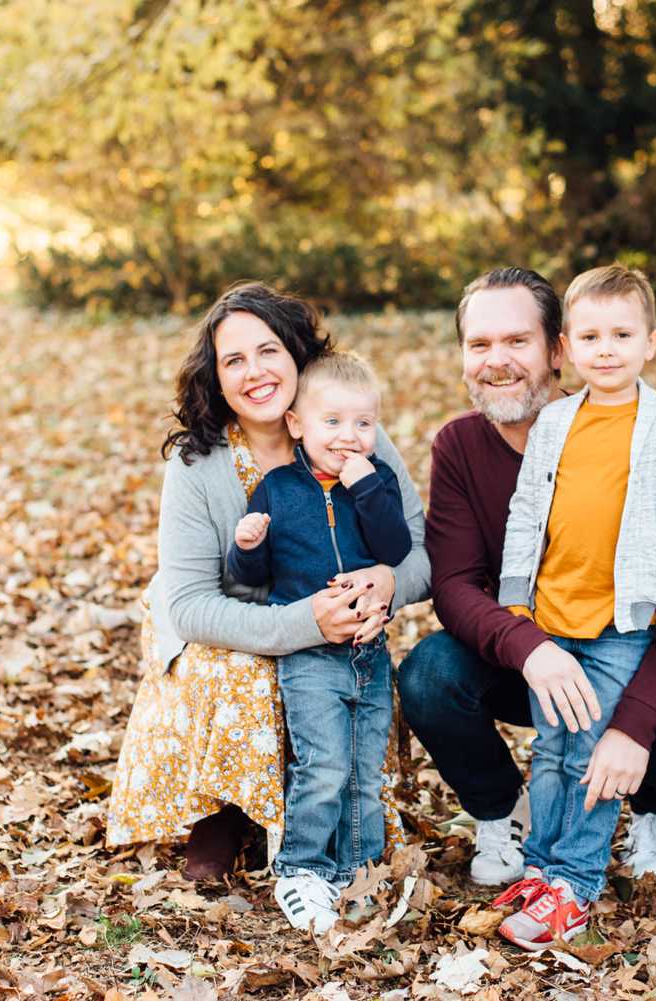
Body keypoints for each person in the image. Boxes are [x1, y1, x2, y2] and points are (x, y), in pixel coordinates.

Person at [398, 266, 656, 893]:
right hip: (530, 646)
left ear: (556, 351)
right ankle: (505, 816)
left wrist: (633, 726)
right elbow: (456, 586)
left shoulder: (642, 437)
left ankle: (647, 812)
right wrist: (531, 648)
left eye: (516, 342)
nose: (497, 361)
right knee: (429, 675)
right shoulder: (461, 446)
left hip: (624, 644)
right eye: (479, 345)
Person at [106, 282, 430, 881]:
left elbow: (419, 548)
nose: (254, 371)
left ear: (296, 355)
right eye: (234, 360)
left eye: (268, 351)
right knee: (248, 671)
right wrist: (305, 622)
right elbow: (190, 606)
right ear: (218, 379)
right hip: (225, 624)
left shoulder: (349, 430)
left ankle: (331, 819)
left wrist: (386, 582)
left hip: (343, 626)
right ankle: (224, 813)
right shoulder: (198, 464)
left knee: (347, 670)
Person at [488, 264, 656, 949]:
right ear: (566, 350)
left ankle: (576, 885)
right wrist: (514, 598)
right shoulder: (555, 421)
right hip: (554, 613)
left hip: (620, 625)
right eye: (589, 336)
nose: (605, 348)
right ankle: (541, 867)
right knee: (551, 749)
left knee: (589, 749)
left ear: (652, 341)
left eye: (621, 334)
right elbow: (527, 511)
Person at [226, 352, 410, 932]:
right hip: (307, 652)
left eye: (363, 424)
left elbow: (396, 548)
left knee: (362, 766)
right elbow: (250, 581)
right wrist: (249, 545)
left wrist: (369, 491)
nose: (349, 436)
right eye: (332, 422)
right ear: (298, 425)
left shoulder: (374, 482)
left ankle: (356, 869)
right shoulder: (278, 490)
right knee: (324, 762)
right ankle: (301, 867)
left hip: (368, 650)